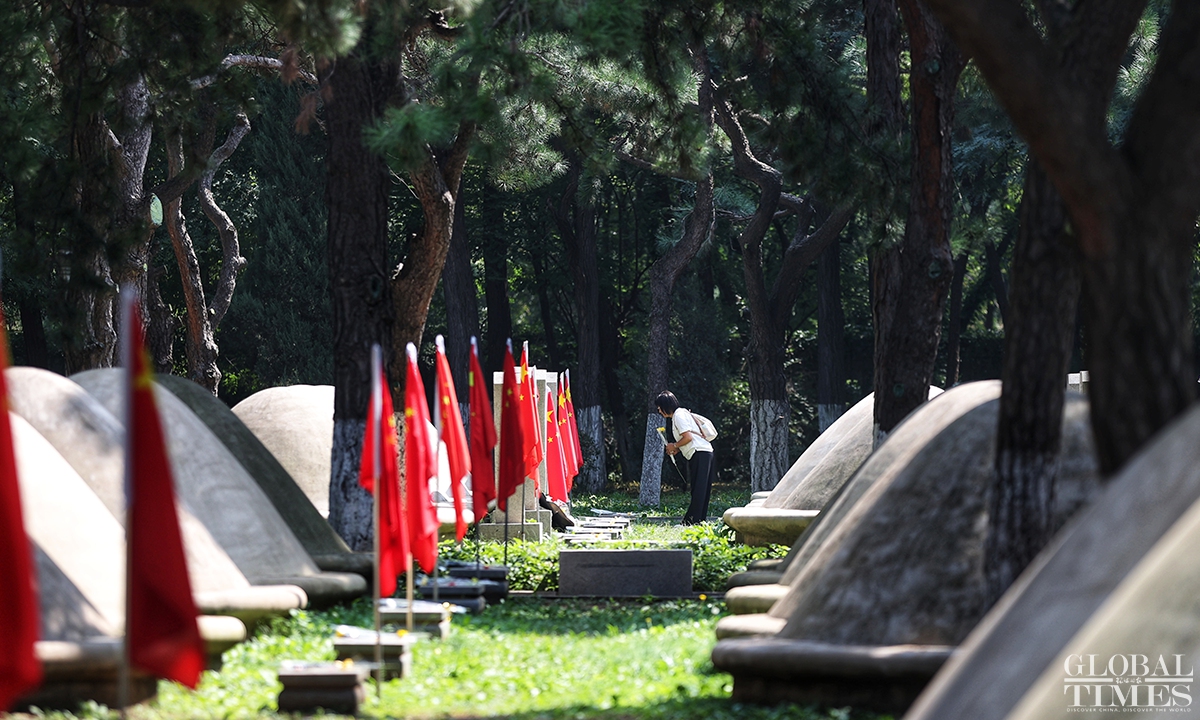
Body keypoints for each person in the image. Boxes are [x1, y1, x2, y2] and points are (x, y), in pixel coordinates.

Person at [655, 390, 714, 525]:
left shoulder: (678, 415)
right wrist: (677, 448)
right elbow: (688, 437)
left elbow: (688, 437)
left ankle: (690, 522)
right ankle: (698, 521)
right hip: (705, 452)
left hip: (699, 453)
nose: (659, 411)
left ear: (665, 405)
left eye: (659, 407)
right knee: (702, 490)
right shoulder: (682, 413)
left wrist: (674, 445)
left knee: (698, 490)